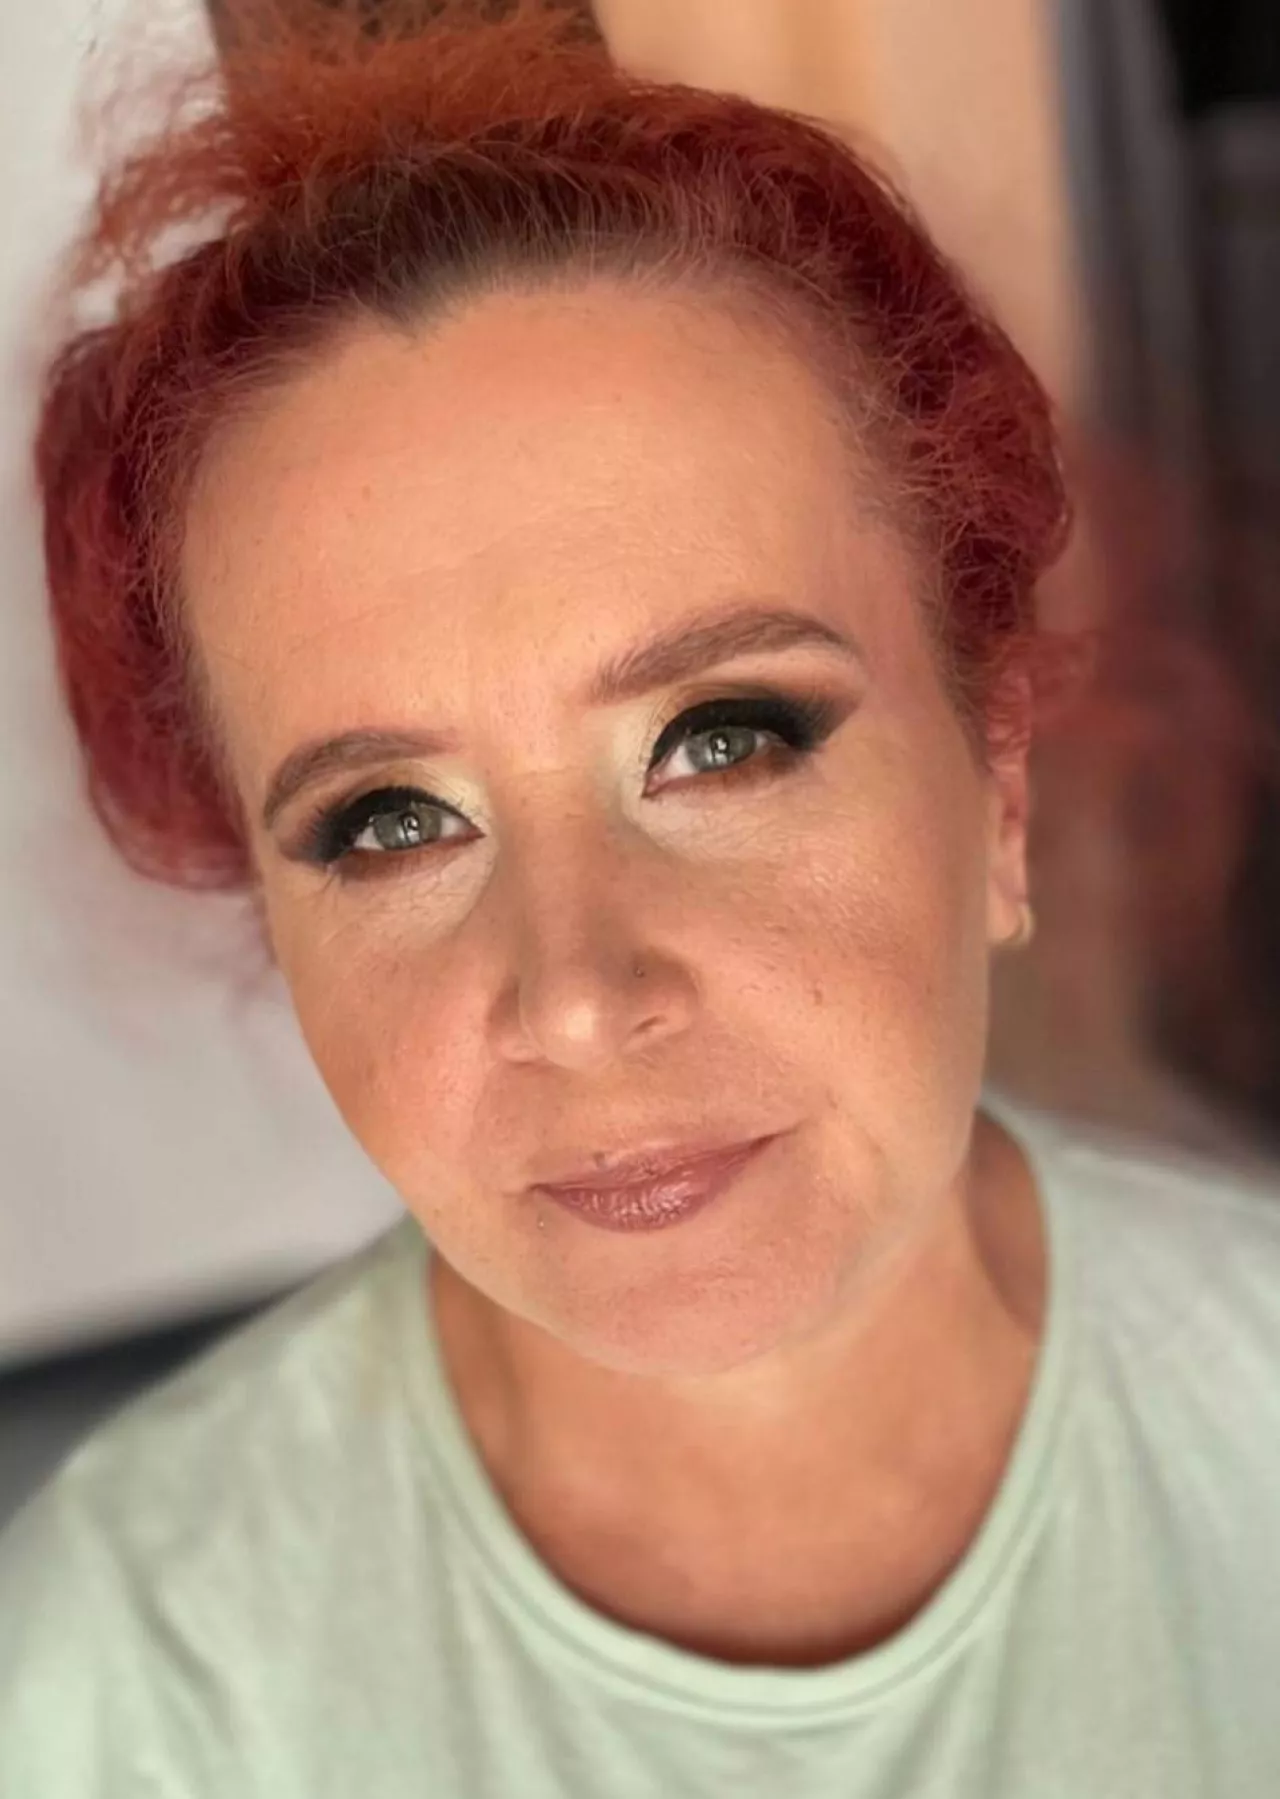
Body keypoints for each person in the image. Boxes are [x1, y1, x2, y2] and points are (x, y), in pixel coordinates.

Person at [2, 2, 1278, 1792]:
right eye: (387, 823)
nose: (580, 996)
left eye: (724, 738)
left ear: (994, 786)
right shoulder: (120, 1682)